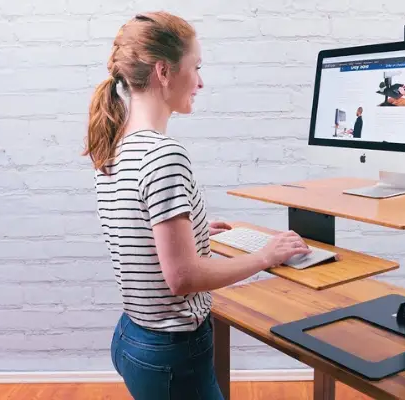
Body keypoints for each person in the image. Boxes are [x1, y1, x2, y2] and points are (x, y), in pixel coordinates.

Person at [82, 11, 312, 400]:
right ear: (164, 72)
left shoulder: (116, 147)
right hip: (171, 351)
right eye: (196, 67)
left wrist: (196, 231)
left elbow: (138, 233)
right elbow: (182, 278)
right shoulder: (164, 154)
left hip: (132, 337)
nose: (201, 82)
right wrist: (266, 257)